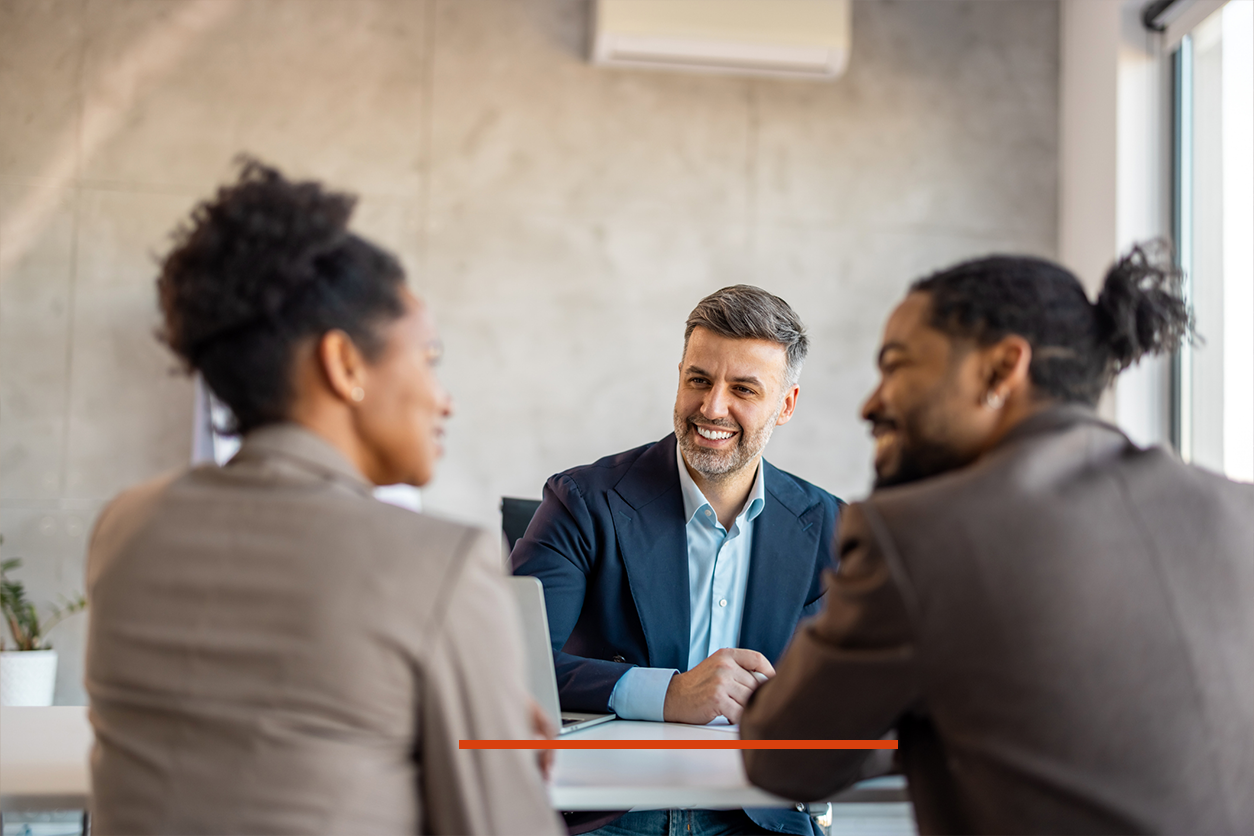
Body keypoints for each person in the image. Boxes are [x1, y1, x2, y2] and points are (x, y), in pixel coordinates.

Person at [84, 161, 562, 836]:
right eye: (427, 357)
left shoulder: (124, 528)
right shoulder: (438, 563)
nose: (443, 397)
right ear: (343, 365)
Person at [740, 245, 1254, 835]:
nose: (871, 403)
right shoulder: (1239, 511)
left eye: (898, 366)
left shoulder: (918, 535)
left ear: (1001, 370)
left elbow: (783, 756)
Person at [511, 285, 842, 836]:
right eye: (699, 380)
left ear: (785, 405)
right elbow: (505, 663)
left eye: (743, 389)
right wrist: (669, 694)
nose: (713, 408)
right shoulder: (582, 501)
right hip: (613, 810)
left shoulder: (834, 530)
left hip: (764, 816)